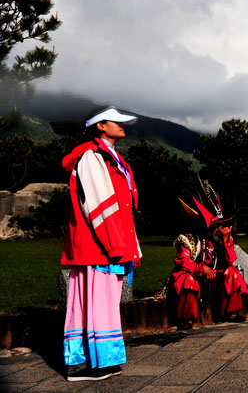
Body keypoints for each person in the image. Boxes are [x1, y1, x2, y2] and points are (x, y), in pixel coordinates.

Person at [61, 106, 141, 382]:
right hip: (100, 245)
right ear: (100, 126)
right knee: (94, 301)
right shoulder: (91, 157)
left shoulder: (110, 157)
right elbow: (99, 205)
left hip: (109, 244)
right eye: (116, 122)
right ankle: (88, 363)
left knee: (100, 302)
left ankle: (93, 361)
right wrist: (116, 245)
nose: (122, 126)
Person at [169, 180, 248, 329]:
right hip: (197, 278)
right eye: (216, 227)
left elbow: (230, 260)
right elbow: (182, 262)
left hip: (214, 280)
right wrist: (201, 268)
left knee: (232, 272)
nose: (219, 229)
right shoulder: (188, 239)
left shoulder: (223, 239)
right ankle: (186, 319)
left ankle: (231, 313)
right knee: (186, 279)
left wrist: (225, 241)